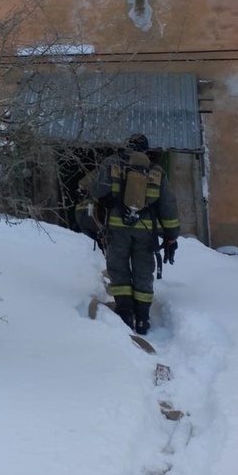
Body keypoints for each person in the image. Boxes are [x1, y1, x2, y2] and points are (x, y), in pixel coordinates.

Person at [91, 133, 179, 335]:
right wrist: (171, 235)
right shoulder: (156, 172)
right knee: (143, 272)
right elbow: (168, 206)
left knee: (119, 269)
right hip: (146, 231)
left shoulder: (111, 164)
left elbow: (97, 191)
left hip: (117, 227)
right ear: (146, 150)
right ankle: (142, 320)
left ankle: (125, 315)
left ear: (126, 146)